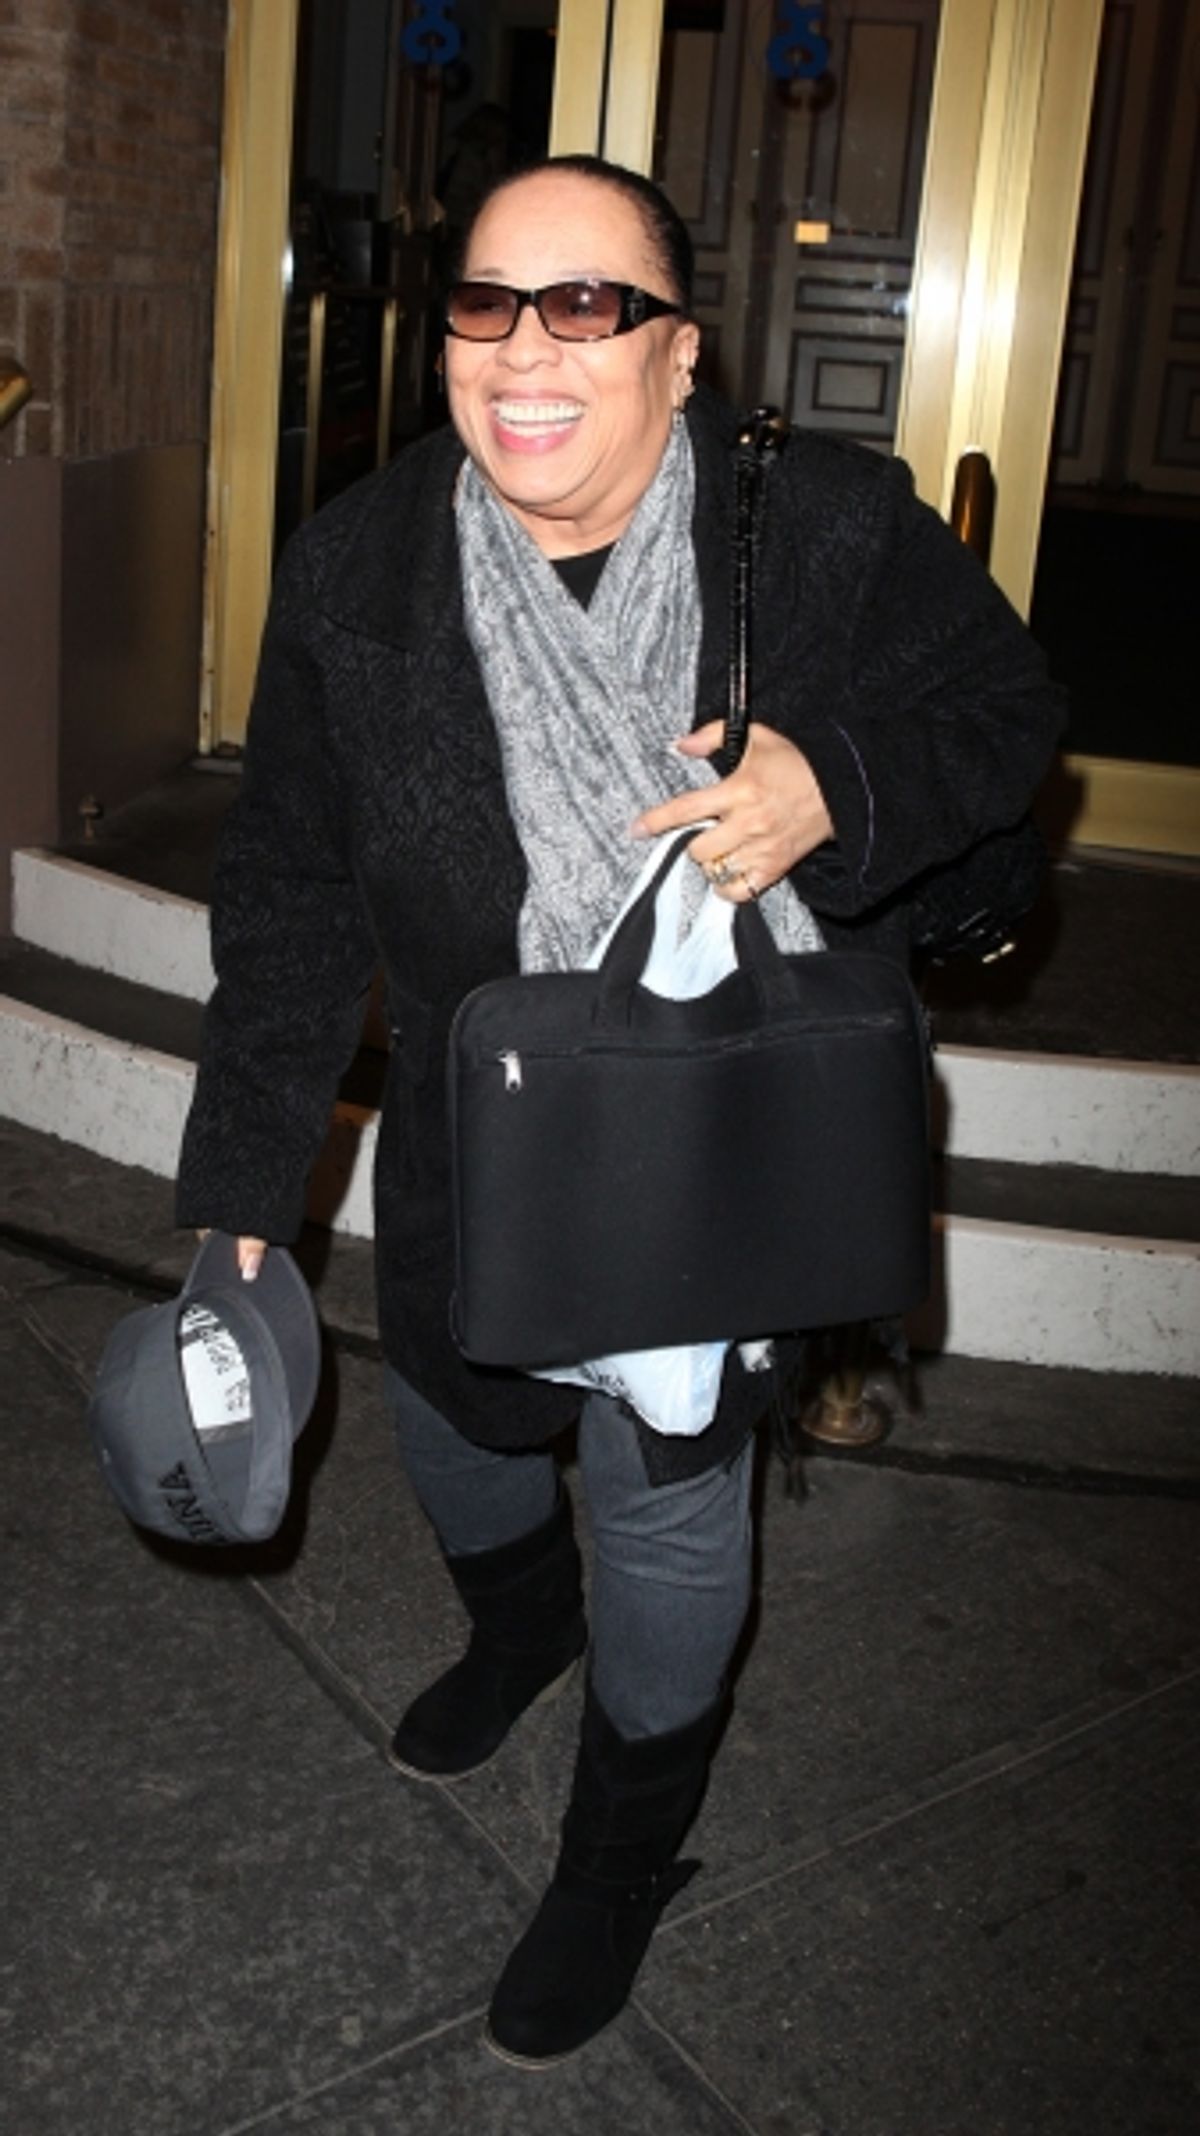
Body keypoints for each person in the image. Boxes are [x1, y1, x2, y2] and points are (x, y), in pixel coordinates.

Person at [177, 155, 1063, 2067]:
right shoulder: (357, 566)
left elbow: (1006, 714)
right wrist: (242, 1199)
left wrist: (838, 787)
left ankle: (620, 1848)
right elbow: (294, 897)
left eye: (591, 307)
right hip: (478, 1139)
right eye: (487, 304)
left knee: (668, 1521)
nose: (525, 351)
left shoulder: (819, 530)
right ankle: (517, 1632)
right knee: (457, 1440)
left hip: (716, 1151)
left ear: (680, 355)